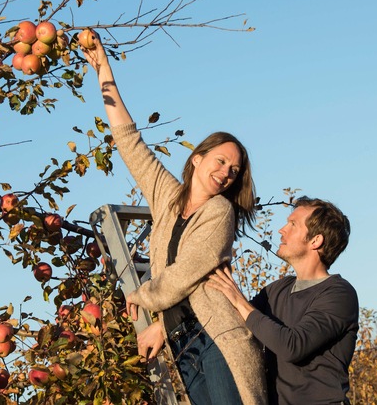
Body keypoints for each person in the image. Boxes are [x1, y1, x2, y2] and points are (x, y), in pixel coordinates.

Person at [82, 32, 266, 405]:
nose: (227, 172)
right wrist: (104, 71)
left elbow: (185, 273)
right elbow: (129, 142)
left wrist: (143, 297)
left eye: (234, 170)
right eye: (221, 161)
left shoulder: (219, 212)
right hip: (184, 335)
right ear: (197, 158)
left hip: (216, 335)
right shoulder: (167, 196)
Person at [208, 197, 359, 405]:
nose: (282, 230)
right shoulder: (278, 290)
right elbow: (233, 317)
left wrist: (239, 300)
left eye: (293, 224)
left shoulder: (339, 294)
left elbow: (292, 346)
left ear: (316, 241)